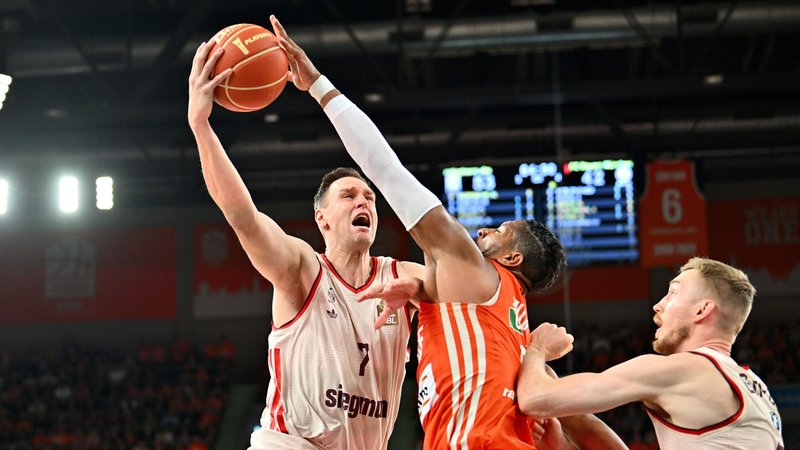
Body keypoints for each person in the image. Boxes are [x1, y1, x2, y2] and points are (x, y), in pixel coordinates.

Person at [267, 15, 627, 450]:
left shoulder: (470, 267)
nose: (483, 229)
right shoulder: (510, 328)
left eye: (499, 232)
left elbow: (385, 169)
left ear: (511, 260)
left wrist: (319, 87)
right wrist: (420, 288)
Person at [188, 34, 427, 450]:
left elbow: (464, 287)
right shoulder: (303, 267)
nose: (363, 200)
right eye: (349, 195)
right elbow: (243, 218)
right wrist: (201, 125)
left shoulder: (401, 276)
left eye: (369, 196)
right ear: (322, 218)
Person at [517, 257, 785, 449]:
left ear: (702, 310)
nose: (658, 305)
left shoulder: (685, 370)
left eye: (673, 294)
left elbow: (534, 399)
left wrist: (538, 348)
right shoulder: (754, 387)